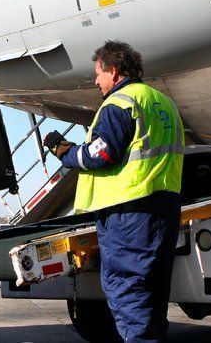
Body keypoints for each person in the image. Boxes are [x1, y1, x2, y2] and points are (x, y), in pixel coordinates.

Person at [44, 41, 184, 342]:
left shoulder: (120, 103)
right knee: (154, 292)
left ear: (114, 70)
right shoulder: (162, 102)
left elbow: (100, 155)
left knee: (128, 289)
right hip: (164, 207)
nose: (96, 81)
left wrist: (64, 152)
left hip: (128, 213)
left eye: (98, 73)